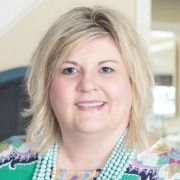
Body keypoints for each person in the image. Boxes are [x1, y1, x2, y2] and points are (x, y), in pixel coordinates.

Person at [0, 6, 179, 180]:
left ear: (134, 82)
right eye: (70, 70)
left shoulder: (172, 171)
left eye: (106, 69)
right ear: (46, 84)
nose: (87, 84)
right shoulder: (6, 158)